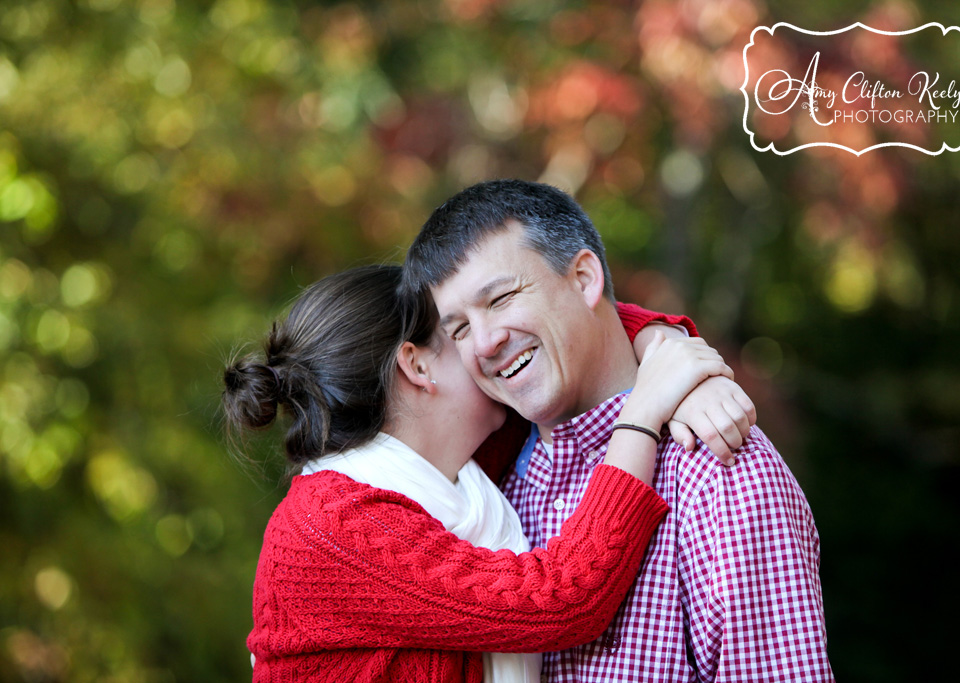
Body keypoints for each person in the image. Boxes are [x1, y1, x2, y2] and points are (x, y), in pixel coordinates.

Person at [223, 263, 746, 682]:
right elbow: (561, 599)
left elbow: (572, 333)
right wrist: (644, 411)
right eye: (459, 332)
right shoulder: (328, 527)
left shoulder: (461, 471)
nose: (489, 345)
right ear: (418, 365)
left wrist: (663, 348)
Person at [402, 179, 835, 682]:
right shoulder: (480, 480)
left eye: (500, 299)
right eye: (458, 329)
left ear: (585, 278)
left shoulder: (720, 473)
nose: (484, 343)